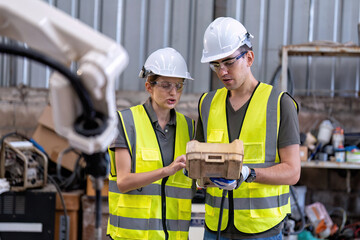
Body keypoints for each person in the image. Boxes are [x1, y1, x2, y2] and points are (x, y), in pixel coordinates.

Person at [196, 17, 301, 239]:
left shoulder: (280, 104)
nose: (222, 71)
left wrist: (249, 174)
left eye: (229, 62)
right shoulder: (207, 103)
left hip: (262, 231)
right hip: (216, 228)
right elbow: (200, 157)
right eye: (216, 65)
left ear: (249, 57)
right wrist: (195, 172)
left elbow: (293, 171)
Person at [107, 47, 195, 240]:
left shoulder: (189, 127)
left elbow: (190, 183)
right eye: (165, 85)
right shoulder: (125, 122)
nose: (173, 92)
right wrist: (165, 171)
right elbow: (123, 183)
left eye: (178, 86)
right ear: (149, 87)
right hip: (133, 236)